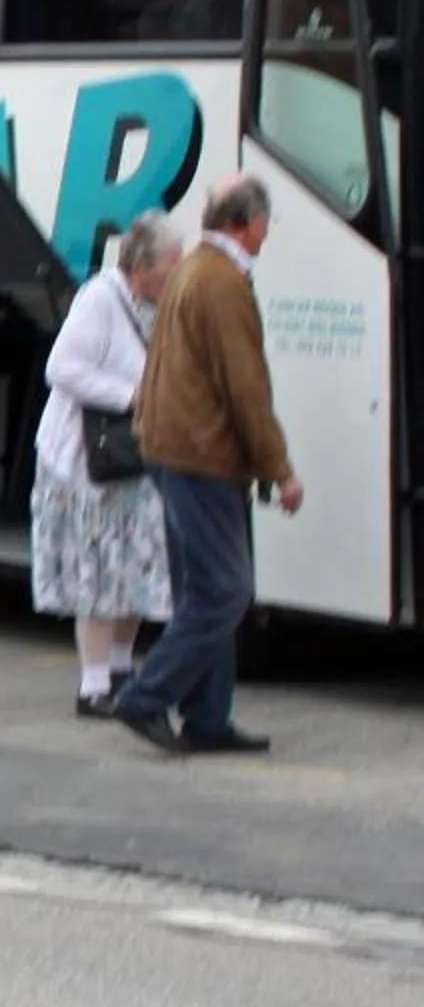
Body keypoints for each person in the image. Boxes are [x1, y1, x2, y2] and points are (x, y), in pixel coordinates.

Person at [113, 176, 304, 757]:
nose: (268, 233)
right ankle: (146, 696)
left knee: (202, 589)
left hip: (174, 450)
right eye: (266, 222)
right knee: (225, 590)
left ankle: (207, 719)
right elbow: (245, 388)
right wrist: (280, 469)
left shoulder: (192, 271)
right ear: (245, 223)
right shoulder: (222, 283)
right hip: (203, 456)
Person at [30, 211, 181, 716]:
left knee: (136, 565)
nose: (178, 273)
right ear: (142, 266)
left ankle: (120, 670)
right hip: (82, 463)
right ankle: (93, 687)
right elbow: (62, 368)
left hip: (133, 459)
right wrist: (131, 395)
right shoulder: (100, 299)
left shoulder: (156, 305)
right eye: (171, 264)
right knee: (96, 570)